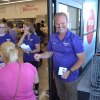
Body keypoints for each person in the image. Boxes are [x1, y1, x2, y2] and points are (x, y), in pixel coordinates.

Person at [34, 12, 85, 100]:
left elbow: (82, 59)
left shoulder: (74, 39)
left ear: (67, 23)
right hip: (58, 75)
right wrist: (40, 55)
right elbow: (49, 52)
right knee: (61, 96)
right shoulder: (53, 37)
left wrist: (69, 71)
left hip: (70, 77)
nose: (60, 26)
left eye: (62, 23)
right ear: (55, 24)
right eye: (57, 24)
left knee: (71, 98)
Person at [18, 21, 40, 97]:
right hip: (26, 59)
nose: (23, 28)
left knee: (35, 75)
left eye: (24, 27)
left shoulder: (35, 37)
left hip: (33, 59)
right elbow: (18, 44)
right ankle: (29, 89)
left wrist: (30, 51)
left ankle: (36, 89)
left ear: (29, 27)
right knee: (27, 75)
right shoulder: (24, 36)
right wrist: (24, 34)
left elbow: (38, 49)